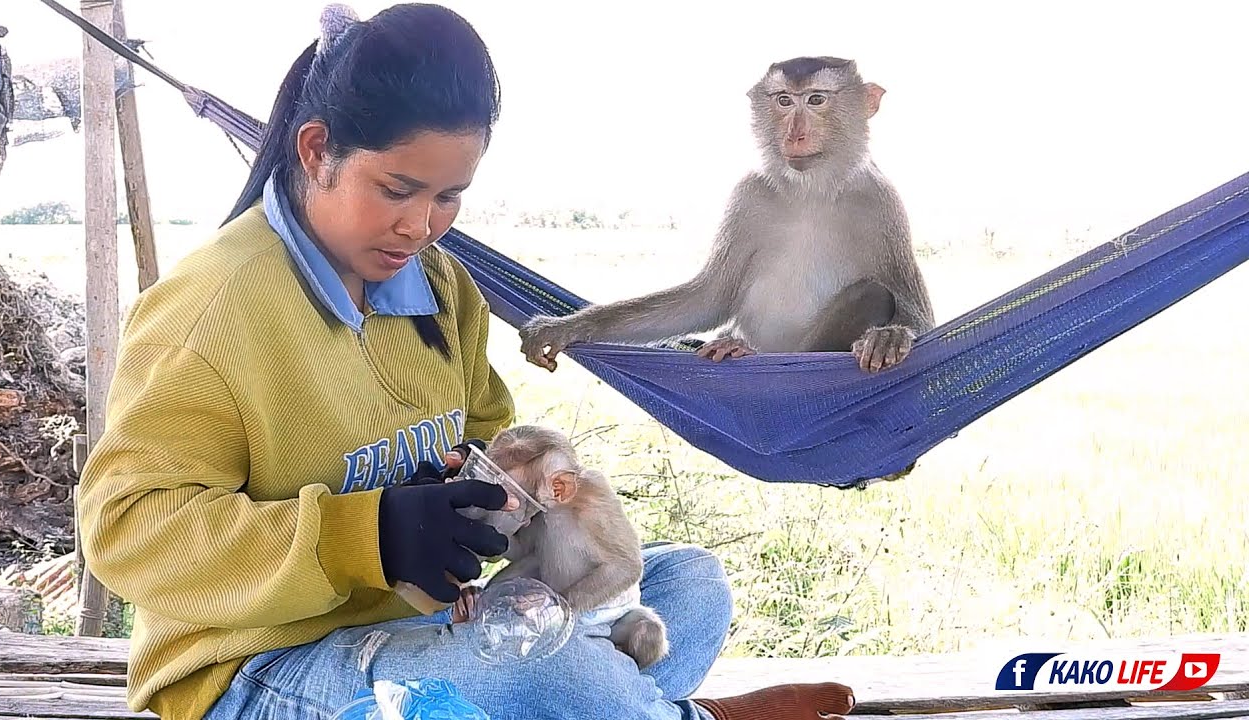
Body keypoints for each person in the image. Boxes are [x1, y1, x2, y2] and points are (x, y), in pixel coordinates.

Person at [77, 3, 857, 719]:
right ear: (318, 151)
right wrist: (366, 534)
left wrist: (505, 490)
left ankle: (611, 705)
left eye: (449, 196)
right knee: (542, 675)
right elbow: (125, 532)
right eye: (397, 188)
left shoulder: (443, 286)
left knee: (689, 587)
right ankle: (677, 715)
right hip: (255, 669)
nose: (421, 225)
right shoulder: (213, 309)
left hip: (425, 628)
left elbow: (488, 435)